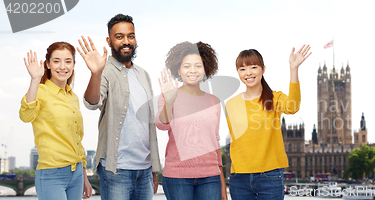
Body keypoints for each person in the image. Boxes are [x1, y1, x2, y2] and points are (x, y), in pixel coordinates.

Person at [80, 13, 161, 200]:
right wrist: (96, 73)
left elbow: (147, 124)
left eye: (130, 36)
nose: (126, 41)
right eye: (119, 37)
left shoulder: (144, 75)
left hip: (145, 171)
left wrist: (153, 170)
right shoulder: (105, 70)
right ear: (109, 40)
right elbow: (92, 103)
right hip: (116, 169)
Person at [225, 45, 311, 200]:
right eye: (242, 69)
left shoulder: (274, 98)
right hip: (239, 177)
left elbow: (293, 106)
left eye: (253, 67)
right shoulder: (231, 104)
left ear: (263, 69)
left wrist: (293, 69)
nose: (248, 73)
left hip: (270, 176)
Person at [19, 42, 92, 199]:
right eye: (56, 61)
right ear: (48, 64)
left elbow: (78, 140)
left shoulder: (73, 97)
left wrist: (85, 176)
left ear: (73, 64)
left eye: (68, 61)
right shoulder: (41, 91)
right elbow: (26, 115)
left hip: (77, 173)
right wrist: (35, 80)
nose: (62, 66)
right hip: (52, 173)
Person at [155, 41, 227, 200]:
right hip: (177, 176)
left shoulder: (214, 101)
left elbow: (215, 141)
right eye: (187, 66)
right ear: (178, 70)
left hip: (210, 177)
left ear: (205, 69)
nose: (192, 70)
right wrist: (169, 101)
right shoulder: (168, 95)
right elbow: (161, 125)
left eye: (198, 65)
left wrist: (221, 182)